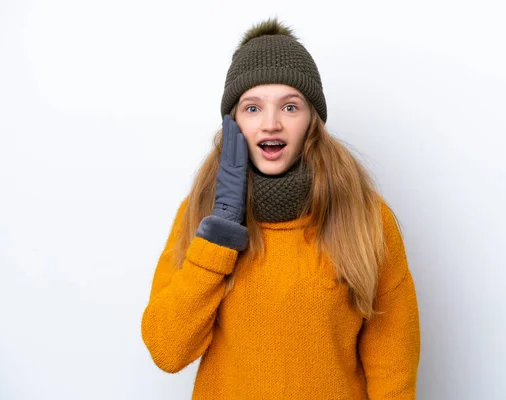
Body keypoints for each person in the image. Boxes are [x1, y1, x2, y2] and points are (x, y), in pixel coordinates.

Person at [141, 17, 420, 399]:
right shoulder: (201, 212)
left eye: (290, 107)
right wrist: (219, 233)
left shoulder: (364, 215)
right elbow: (167, 349)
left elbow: (393, 361)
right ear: (233, 122)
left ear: (313, 120)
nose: (271, 124)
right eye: (252, 108)